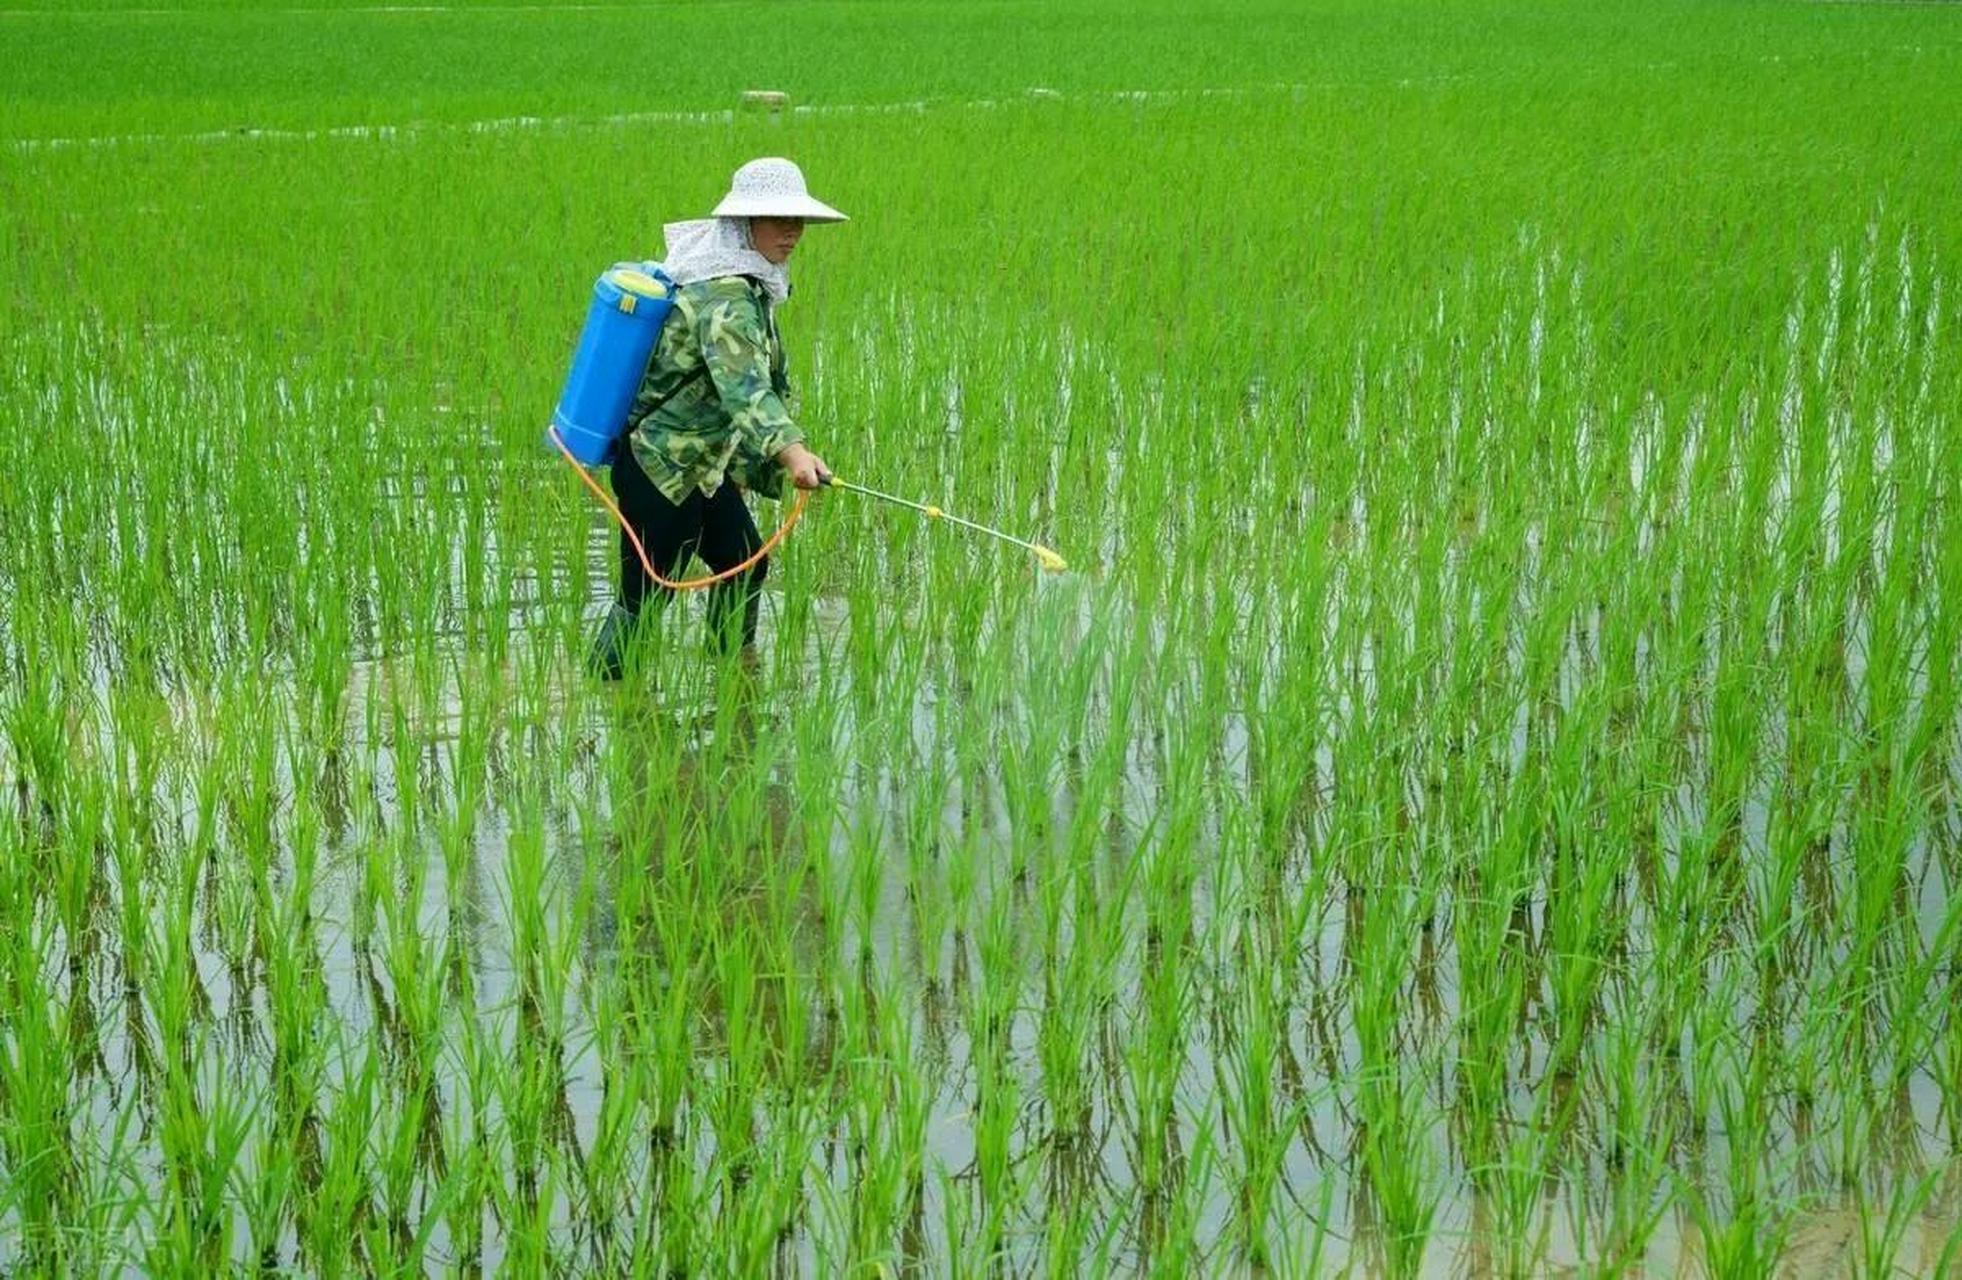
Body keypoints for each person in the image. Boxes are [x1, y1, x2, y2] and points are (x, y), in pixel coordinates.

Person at [589, 157, 845, 679]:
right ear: (744, 224)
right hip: (662, 468)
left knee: (745, 562)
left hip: (703, 468)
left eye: (798, 221)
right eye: (778, 219)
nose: (792, 232)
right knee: (645, 596)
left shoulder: (747, 283)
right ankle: (610, 698)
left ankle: (732, 677)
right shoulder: (725, 293)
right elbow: (745, 389)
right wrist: (793, 454)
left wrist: (760, 467)